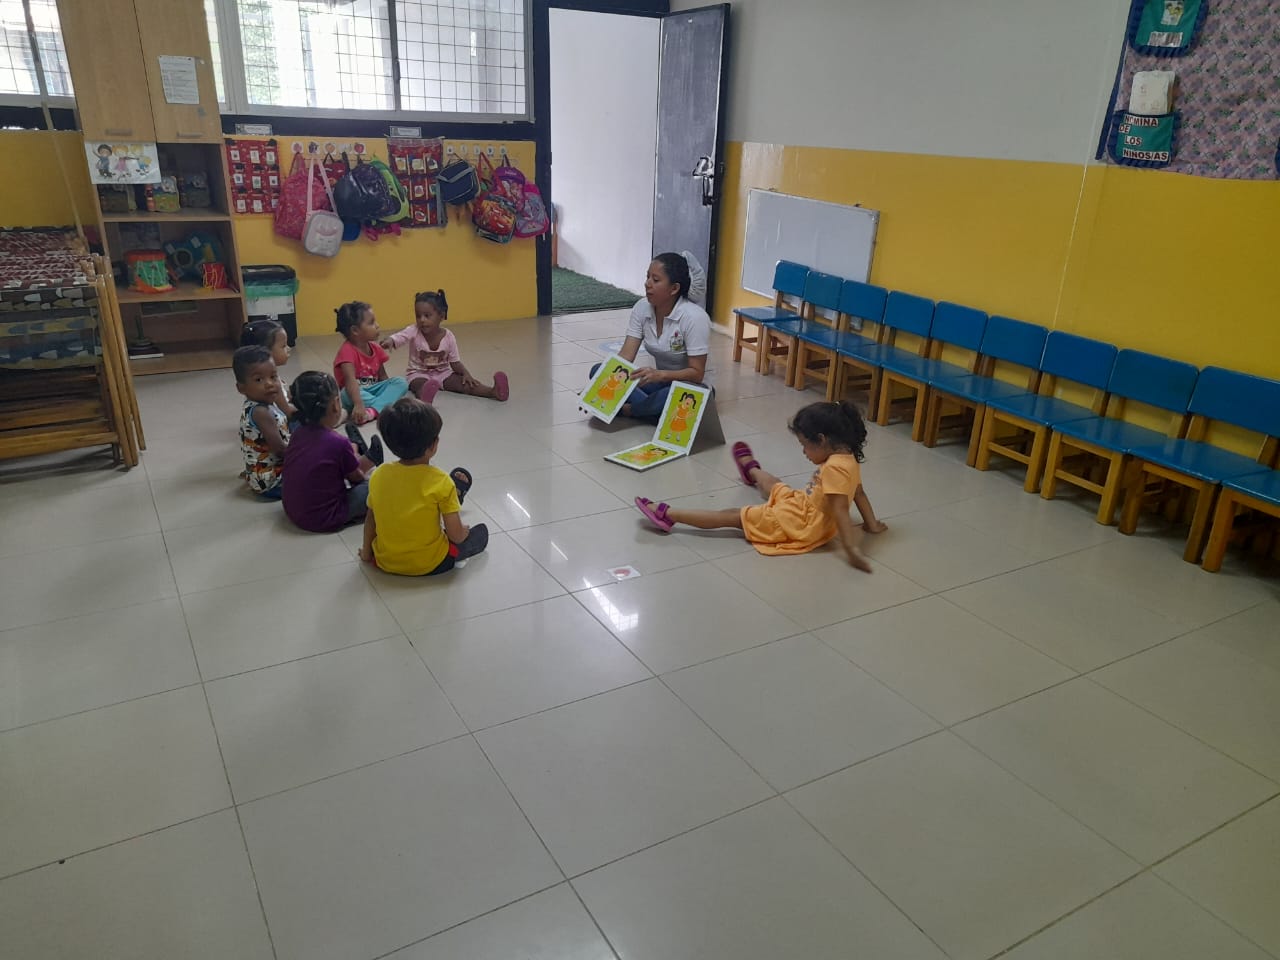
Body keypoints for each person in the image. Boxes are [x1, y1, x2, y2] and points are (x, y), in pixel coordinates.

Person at [634, 400, 881, 571]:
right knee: (776, 485)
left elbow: (840, 509)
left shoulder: (835, 468)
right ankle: (751, 469)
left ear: (822, 440)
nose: (804, 452)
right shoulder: (847, 459)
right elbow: (859, 493)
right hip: (802, 506)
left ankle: (669, 515)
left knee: (732, 516)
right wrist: (872, 525)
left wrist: (851, 550)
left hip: (800, 522)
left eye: (804, 445)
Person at [359, 396, 488, 576]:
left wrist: (367, 553)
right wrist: (464, 532)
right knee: (480, 534)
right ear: (433, 446)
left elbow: (371, 519)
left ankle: (449, 502)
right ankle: (452, 501)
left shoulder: (379, 475)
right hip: (432, 563)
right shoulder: (441, 480)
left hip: (385, 561)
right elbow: (456, 536)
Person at [587, 252, 711, 421]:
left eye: (656, 280)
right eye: (647, 277)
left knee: (671, 397)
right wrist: (596, 389)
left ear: (674, 288)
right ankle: (656, 413)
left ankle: (629, 410)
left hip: (689, 387)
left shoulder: (694, 317)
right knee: (598, 370)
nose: (647, 284)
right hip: (659, 382)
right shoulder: (642, 307)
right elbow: (625, 357)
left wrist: (661, 375)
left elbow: (697, 373)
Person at [282, 371, 384, 533]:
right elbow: (355, 478)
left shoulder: (297, 433)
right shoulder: (337, 442)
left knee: (338, 454)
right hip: (325, 517)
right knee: (377, 486)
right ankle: (366, 457)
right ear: (336, 404)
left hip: (294, 510)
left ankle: (356, 451)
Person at [380, 289, 510, 403]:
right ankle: (425, 397)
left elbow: (455, 362)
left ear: (441, 316)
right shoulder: (414, 330)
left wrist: (466, 374)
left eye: (427, 316)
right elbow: (401, 336)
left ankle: (493, 391)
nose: (422, 320)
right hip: (417, 373)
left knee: (463, 384)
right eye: (418, 316)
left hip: (442, 373)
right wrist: (391, 340)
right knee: (419, 385)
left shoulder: (449, 337)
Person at [333, 300, 409, 424]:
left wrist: (388, 388)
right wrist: (358, 403)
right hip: (352, 394)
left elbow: (383, 377)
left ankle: (370, 412)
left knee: (401, 382)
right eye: (372, 323)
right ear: (355, 330)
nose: (377, 325)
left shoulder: (376, 348)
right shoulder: (347, 351)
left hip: (372, 390)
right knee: (347, 393)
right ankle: (380, 407)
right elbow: (350, 381)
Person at [233, 344, 290, 499]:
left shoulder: (257, 405)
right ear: (241, 388)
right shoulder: (261, 412)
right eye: (259, 379)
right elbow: (280, 450)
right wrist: (307, 453)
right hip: (272, 481)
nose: (270, 384)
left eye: (273, 377)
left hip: (261, 474)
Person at [240, 319, 295, 419]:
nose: (289, 348)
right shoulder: (271, 383)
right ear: (265, 352)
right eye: (283, 346)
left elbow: (283, 397)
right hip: (279, 422)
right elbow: (287, 411)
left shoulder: (259, 378)